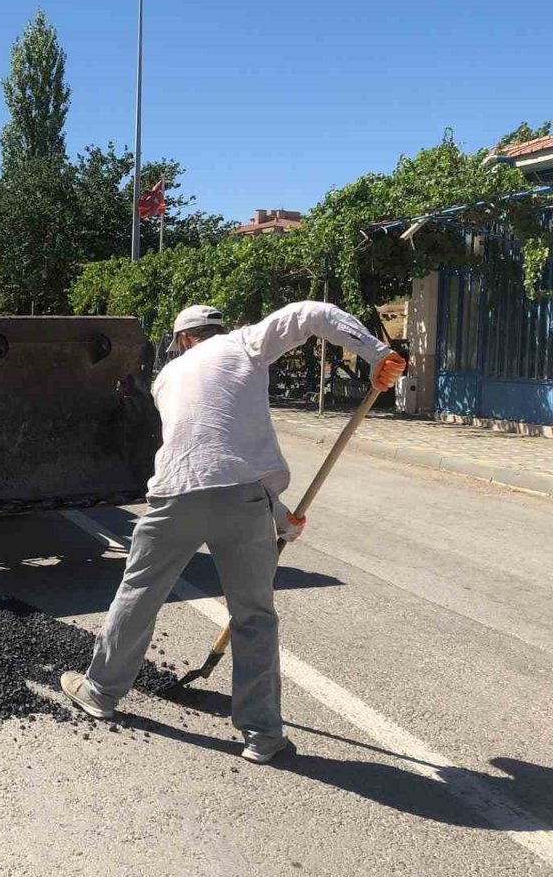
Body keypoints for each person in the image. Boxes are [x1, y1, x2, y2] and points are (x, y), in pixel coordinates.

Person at [61, 302, 406, 764]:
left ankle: (100, 692)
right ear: (217, 330)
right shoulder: (245, 343)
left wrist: (278, 515)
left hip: (175, 497)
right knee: (254, 616)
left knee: (139, 594)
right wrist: (376, 352)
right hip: (244, 502)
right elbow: (310, 314)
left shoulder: (168, 378)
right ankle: (262, 736)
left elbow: (203, 452)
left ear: (184, 339)